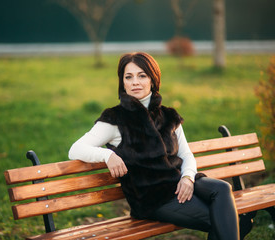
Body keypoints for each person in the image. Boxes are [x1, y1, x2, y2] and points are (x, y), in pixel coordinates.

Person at [68, 52, 239, 240]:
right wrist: (108, 156)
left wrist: (188, 178)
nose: (135, 82)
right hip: (154, 199)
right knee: (223, 220)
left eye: (142, 75)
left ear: (153, 80)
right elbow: (76, 149)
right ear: (122, 83)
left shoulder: (168, 116)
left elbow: (186, 154)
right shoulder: (115, 119)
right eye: (129, 77)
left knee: (222, 189)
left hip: (180, 183)